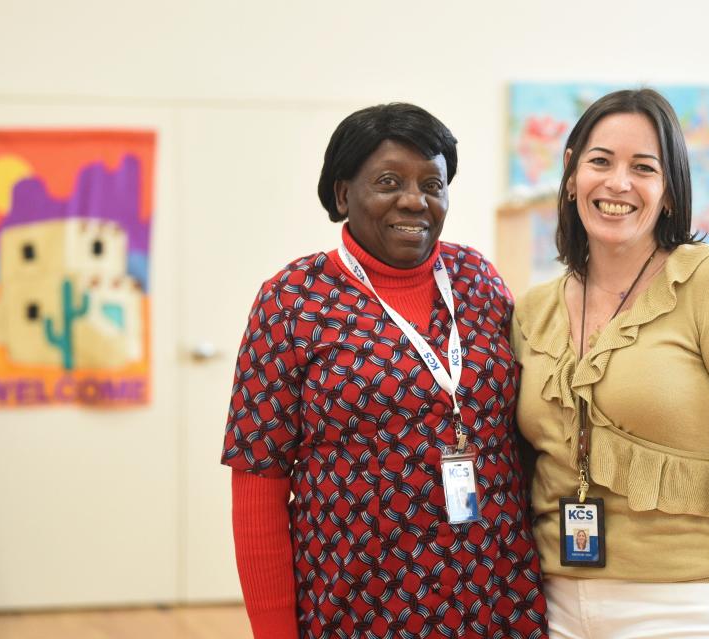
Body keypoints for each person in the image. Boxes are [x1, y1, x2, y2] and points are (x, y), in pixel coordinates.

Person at [221, 103, 547, 639]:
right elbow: (258, 479)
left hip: (496, 594)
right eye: (389, 182)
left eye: (432, 184)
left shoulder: (478, 281)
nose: (415, 201)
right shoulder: (293, 299)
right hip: (361, 603)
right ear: (344, 194)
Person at [512, 89, 709, 638]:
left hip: (684, 608)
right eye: (601, 161)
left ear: (668, 193)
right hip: (552, 607)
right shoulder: (533, 310)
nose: (618, 183)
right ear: (572, 175)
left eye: (643, 168)